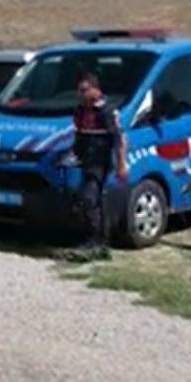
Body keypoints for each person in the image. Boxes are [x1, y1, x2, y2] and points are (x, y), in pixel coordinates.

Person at [66, 73, 128, 260]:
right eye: (79, 91)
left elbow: (119, 140)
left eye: (84, 90)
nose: (81, 94)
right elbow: (78, 136)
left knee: (90, 199)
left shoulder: (106, 111)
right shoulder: (80, 110)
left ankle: (97, 241)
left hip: (100, 163)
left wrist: (121, 165)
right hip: (85, 161)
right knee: (83, 201)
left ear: (95, 89)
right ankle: (94, 239)